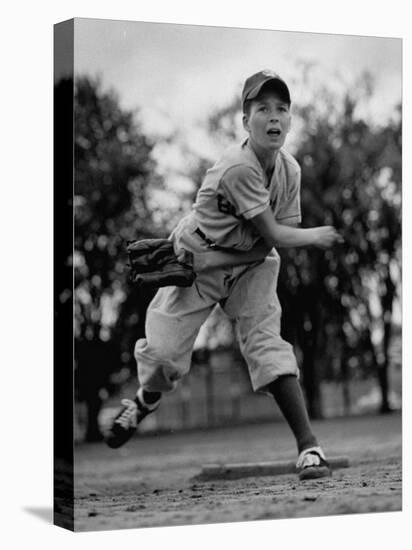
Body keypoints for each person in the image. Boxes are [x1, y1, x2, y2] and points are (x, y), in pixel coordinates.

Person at [105, 70, 342, 480]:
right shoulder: (237, 167)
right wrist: (313, 236)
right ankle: (145, 400)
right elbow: (274, 233)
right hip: (194, 259)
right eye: (262, 108)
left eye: (282, 109)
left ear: (290, 120)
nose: (274, 117)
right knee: (162, 357)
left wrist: (242, 256)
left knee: (267, 343)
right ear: (245, 120)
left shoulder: (290, 171)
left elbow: (269, 244)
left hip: (248, 264)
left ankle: (309, 447)